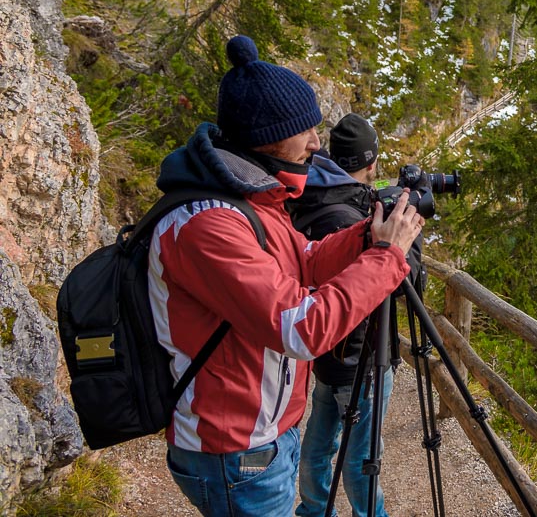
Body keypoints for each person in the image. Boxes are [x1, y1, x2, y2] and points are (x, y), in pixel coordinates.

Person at [148, 35, 423, 517]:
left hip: (263, 440)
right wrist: (386, 257)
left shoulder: (250, 198)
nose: (317, 143)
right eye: (307, 130)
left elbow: (309, 260)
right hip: (234, 451)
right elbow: (300, 328)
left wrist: (365, 235)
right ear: (267, 137)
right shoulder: (209, 223)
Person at [290, 113, 406, 517]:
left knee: (320, 443)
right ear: (371, 162)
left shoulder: (311, 197)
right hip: (361, 357)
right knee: (362, 458)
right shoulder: (348, 217)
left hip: (330, 354)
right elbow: (394, 287)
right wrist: (404, 247)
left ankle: (314, 510)